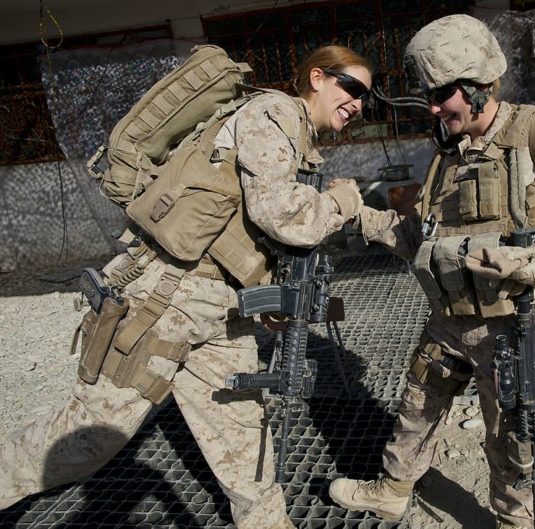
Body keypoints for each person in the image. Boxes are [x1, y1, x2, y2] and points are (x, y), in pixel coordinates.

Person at [0, 45, 371, 529]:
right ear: (317, 78)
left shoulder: (297, 138)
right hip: (165, 301)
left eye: (367, 96)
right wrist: (340, 202)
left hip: (218, 310)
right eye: (353, 88)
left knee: (243, 442)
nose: (359, 103)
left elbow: (248, 229)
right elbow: (285, 216)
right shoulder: (274, 112)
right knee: (90, 438)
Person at [328, 15, 535, 529]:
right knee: (416, 408)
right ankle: (392, 490)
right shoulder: (447, 151)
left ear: (476, 87)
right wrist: (357, 214)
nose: (431, 108)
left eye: (441, 95)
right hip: (450, 319)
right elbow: (420, 237)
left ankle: (513, 522)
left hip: (517, 327)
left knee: (513, 442)